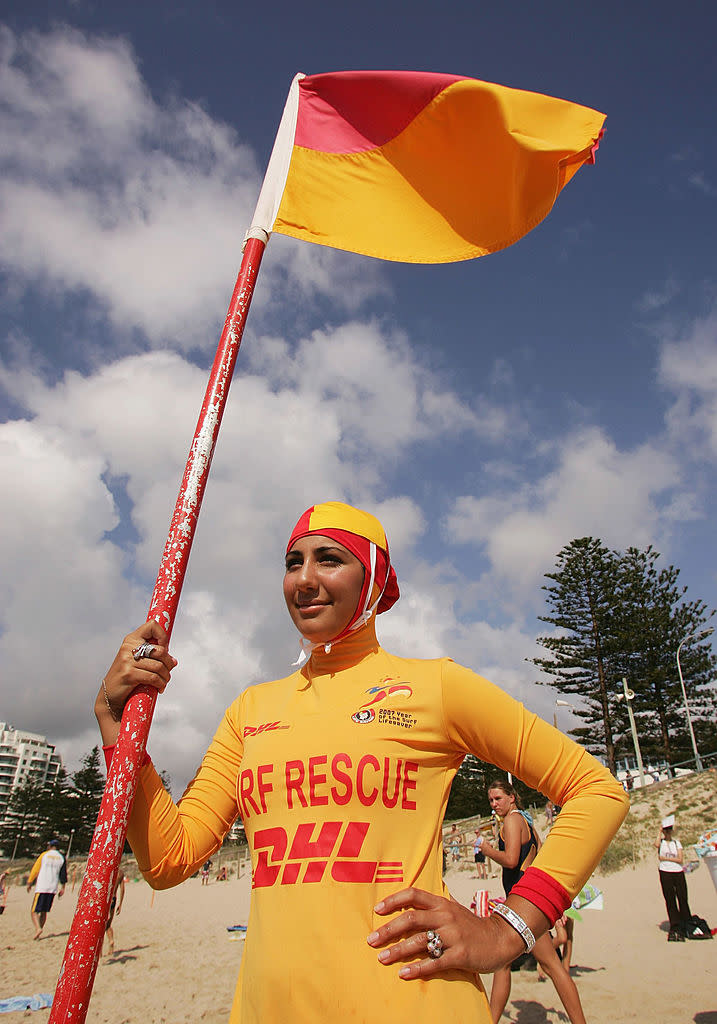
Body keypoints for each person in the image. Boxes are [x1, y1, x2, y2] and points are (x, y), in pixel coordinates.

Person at [96, 500, 629, 1023]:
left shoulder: (434, 687)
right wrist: (118, 731)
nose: (304, 578)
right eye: (292, 562)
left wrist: (506, 931)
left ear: (372, 577)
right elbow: (169, 860)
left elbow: (597, 792)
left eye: (329, 559)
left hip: (413, 1004)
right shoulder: (249, 711)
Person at [480, 779, 587, 1024]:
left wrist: (488, 850)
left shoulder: (512, 820)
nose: (494, 804)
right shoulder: (527, 821)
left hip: (522, 904)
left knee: (551, 966)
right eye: (491, 800)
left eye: (498, 798)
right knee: (504, 964)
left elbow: (510, 859)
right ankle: (491, 1019)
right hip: (527, 900)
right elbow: (538, 853)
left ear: (511, 798)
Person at [656, 817, 692, 941]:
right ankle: (675, 925)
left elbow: (680, 859)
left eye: (669, 830)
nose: (668, 832)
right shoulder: (661, 842)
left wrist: (665, 858)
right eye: (666, 830)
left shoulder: (677, 843)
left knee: (682, 898)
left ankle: (686, 923)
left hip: (677, 872)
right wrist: (659, 831)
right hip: (665, 872)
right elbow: (656, 845)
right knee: (670, 899)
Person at [27, 839, 66, 940]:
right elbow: (63, 874)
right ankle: (39, 930)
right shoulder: (61, 857)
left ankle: (38, 929)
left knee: (34, 911)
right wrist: (63, 888)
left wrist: (30, 882)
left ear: (50, 846)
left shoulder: (44, 855)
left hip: (42, 886)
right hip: (52, 888)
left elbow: (36, 869)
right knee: (44, 911)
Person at [104, 867, 126, 956]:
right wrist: (120, 904)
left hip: (105, 898)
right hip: (113, 899)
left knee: (101, 926)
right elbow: (122, 889)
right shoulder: (120, 873)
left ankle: (99, 952)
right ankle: (111, 941)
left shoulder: (107, 869)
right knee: (108, 924)